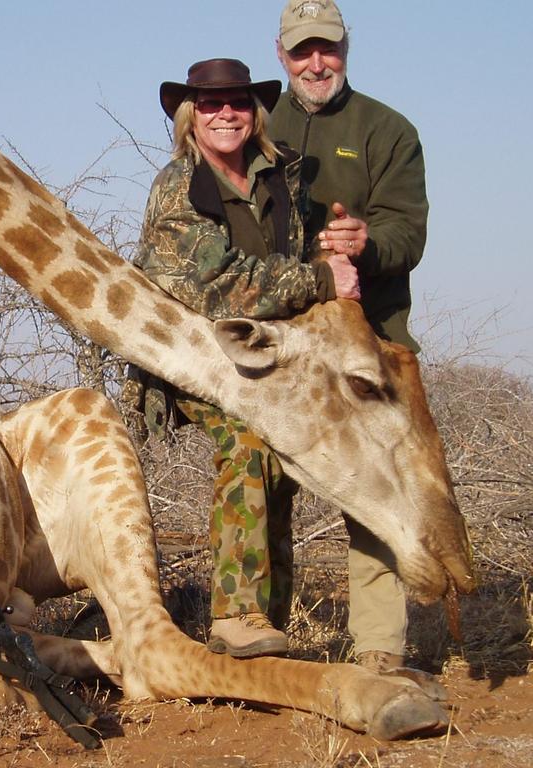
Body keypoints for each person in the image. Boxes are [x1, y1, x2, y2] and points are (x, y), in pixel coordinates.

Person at [132, 57, 360, 658]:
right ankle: (235, 614)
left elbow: (294, 248)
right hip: (190, 354)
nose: (225, 113)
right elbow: (214, 287)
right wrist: (319, 280)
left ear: (254, 111)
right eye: (211, 104)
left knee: (281, 462)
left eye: (236, 101)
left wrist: (332, 246)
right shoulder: (177, 185)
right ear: (192, 116)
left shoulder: (280, 175)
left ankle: (269, 627)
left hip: (261, 354)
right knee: (249, 443)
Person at [268, 0, 429, 672]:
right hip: (282, 342)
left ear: (345, 49)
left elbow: (408, 234)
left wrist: (365, 243)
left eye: (327, 49)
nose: (315, 63)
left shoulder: (387, 130)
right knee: (263, 482)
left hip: (369, 336)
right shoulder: (251, 121)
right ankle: (262, 635)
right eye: (302, 50)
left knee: (371, 486)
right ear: (281, 55)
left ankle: (377, 647)